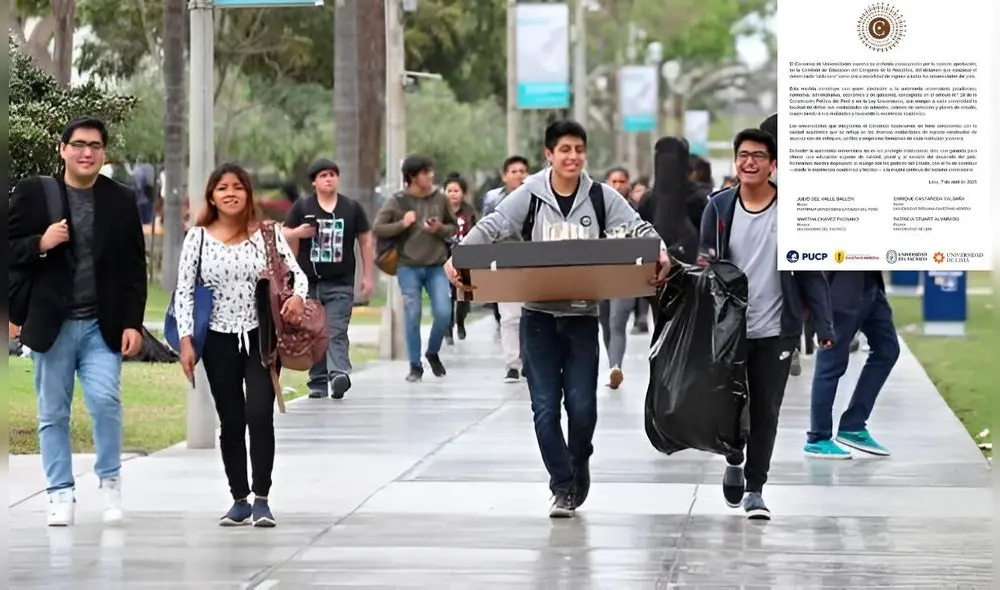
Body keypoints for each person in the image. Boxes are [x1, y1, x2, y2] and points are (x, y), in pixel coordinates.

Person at [445, 120, 671, 518]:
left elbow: (638, 227)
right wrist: (459, 256)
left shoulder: (601, 197)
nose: (573, 157)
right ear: (549, 154)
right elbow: (494, 225)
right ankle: (562, 485)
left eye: (579, 149)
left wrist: (662, 252)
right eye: (564, 149)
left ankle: (579, 457)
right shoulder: (529, 195)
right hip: (539, 320)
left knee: (583, 409)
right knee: (546, 409)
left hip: (583, 317)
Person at [8, 116, 148, 527]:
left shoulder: (120, 199)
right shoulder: (37, 194)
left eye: (96, 146)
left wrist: (132, 324)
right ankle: (59, 494)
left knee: (105, 402)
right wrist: (40, 243)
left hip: (101, 326)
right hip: (53, 324)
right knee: (52, 412)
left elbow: (133, 269)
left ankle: (109, 480)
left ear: (104, 152)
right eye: (79, 144)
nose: (87, 152)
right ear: (62, 149)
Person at [699, 128, 834, 520]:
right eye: (742, 154)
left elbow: (811, 272)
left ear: (773, 165)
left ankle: (756, 488)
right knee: (726, 406)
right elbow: (706, 263)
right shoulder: (719, 208)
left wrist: (823, 327)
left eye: (758, 155)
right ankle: (734, 456)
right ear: (735, 161)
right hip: (729, 329)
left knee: (766, 410)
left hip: (777, 328)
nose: (749, 162)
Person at [176, 163, 308, 528]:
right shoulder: (197, 238)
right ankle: (239, 499)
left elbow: (297, 275)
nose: (230, 193)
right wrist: (186, 341)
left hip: (260, 337)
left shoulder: (267, 234)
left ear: (248, 193)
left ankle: (262, 498)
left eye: (238, 186)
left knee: (259, 413)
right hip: (216, 340)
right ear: (212, 196)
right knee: (231, 419)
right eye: (222, 187)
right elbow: (185, 292)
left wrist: (297, 298)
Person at [282, 159, 374, 400]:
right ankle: (318, 382)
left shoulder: (351, 208)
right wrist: (298, 233)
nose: (329, 178)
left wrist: (367, 276)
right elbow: (282, 234)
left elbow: (365, 240)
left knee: (336, 331)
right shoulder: (302, 207)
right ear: (314, 181)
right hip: (309, 283)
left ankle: (339, 374)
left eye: (333, 174)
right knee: (314, 333)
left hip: (341, 283)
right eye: (323, 175)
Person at [372, 155, 456, 382]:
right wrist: (403, 224)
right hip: (408, 267)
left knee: (443, 313)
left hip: (436, 266)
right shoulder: (397, 201)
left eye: (430, 171)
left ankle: (432, 352)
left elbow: (454, 227)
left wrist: (439, 228)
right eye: (425, 172)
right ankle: (414, 365)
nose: (430, 176)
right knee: (413, 314)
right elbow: (378, 228)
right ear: (412, 177)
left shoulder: (440, 198)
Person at [805, 271, 899, 458]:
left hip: (870, 284)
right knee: (831, 361)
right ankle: (818, 437)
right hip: (843, 285)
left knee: (887, 349)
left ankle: (853, 425)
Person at [479, 155, 531, 381]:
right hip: (504, 261)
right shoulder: (493, 199)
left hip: (533, 261)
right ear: (504, 176)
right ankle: (512, 362)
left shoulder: (538, 195)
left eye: (523, 170)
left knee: (532, 314)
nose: (519, 175)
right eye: (513, 171)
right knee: (509, 317)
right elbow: (485, 229)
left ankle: (531, 360)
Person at [597, 166, 641, 389]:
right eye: (613, 181)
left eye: (621, 181)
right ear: (606, 183)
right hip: (600, 276)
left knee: (617, 322)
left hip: (625, 275)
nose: (617, 186)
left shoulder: (635, 213)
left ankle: (616, 367)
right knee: (604, 322)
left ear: (628, 185)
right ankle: (613, 365)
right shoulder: (595, 211)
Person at [442, 174, 478, 344]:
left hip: (465, 258)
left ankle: (460, 321)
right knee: (447, 296)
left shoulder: (469, 212)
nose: (453, 194)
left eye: (456, 190)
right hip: (444, 258)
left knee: (463, 295)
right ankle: (448, 330)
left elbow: (477, 233)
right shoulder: (439, 212)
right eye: (449, 190)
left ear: (462, 193)